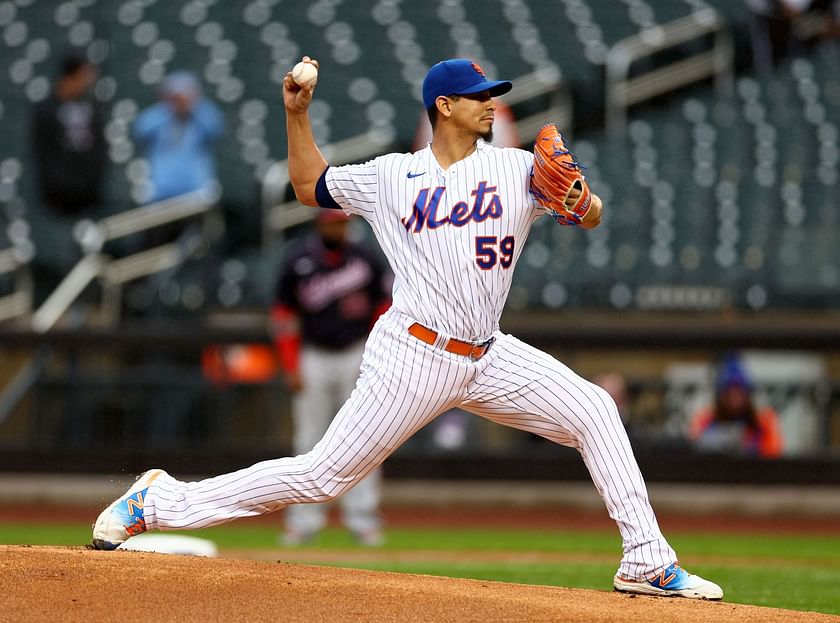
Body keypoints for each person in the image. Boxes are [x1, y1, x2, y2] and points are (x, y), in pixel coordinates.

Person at [93, 56, 723, 601]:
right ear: (443, 107)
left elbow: (589, 214)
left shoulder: (514, 168)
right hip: (413, 355)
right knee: (321, 477)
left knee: (594, 410)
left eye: (493, 97)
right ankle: (160, 502)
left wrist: (582, 201)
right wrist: (297, 114)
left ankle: (646, 560)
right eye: (480, 97)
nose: (491, 106)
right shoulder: (394, 175)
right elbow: (310, 185)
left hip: (489, 354)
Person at [272, 209, 391, 546]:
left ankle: (363, 518)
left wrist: (376, 353)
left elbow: (384, 308)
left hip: (357, 352)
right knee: (308, 440)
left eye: (341, 222)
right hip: (314, 356)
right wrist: (291, 363)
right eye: (332, 222)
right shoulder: (298, 261)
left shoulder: (365, 259)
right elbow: (282, 313)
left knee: (366, 437)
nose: (337, 228)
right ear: (319, 224)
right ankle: (303, 521)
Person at [29, 51, 107, 296]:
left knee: (87, 257)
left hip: (88, 199)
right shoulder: (47, 109)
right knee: (63, 257)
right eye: (85, 75)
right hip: (56, 202)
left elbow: (100, 150)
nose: (89, 82)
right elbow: (41, 151)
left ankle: (84, 309)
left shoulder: (91, 109)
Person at [133, 71, 224, 205]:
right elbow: (141, 129)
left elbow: (215, 128)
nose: (181, 101)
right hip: (162, 187)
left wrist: (193, 107)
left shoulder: (202, 117)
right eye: (176, 97)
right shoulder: (160, 118)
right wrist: (166, 108)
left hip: (195, 188)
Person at [689, 354, 783, 458]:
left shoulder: (764, 421)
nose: (735, 399)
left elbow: (774, 454)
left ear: (748, 395)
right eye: (729, 394)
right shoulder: (705, 420)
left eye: (740, 393)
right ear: (721, 396)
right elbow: (695, 449)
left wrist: (747, 447)